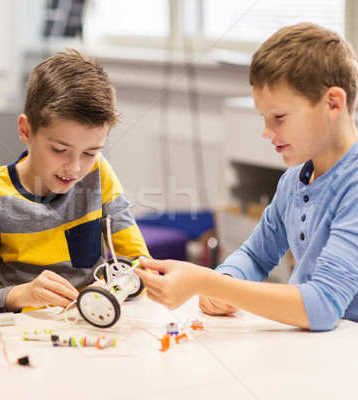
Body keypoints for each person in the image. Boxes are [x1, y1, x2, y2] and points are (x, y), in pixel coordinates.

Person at [135, 22, 358, 332]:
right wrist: (226, 281)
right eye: (263, 117)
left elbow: (322, 306)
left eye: (279, 117)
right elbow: (255, 255)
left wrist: (207, 281)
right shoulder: (294, 181)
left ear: (333, 103)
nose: (267, 132)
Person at [0, 49, 150, 312]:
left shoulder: (98, 173)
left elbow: (141, 264)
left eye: (90, 153)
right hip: (21, 334)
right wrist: (21, 294)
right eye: (59, 150)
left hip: (87, 325)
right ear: (26, 130)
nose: (74, 168)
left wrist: (113, 286)